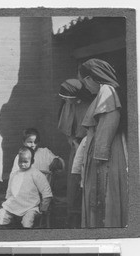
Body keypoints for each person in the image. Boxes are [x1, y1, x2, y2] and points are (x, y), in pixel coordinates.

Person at [78, 58, 128, 228]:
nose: (85, 86)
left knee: (105, 192)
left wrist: (99, 157)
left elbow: (108, 123)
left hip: (107, 154)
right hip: (103, 149)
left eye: (84, 81)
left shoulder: (107, 91)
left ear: (91, 78)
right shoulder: (104, 92)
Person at [58, 79, 93, 228]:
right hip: (75, 147)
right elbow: (67, 130)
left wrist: (82, 144)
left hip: (89, 147)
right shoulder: (68, 105)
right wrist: (73, 142)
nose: (64, 100)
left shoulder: (88, 105)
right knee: (73, 182)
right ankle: (72, 219)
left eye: (66, 97)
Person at [0, 146, 53, 228]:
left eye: (25, 162)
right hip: (16, 203)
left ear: (32, 161)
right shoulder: (15, 174)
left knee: (27, 220)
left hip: (30, 206)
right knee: (2, 214)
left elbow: (46, 192)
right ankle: (7, 233)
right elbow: (10, 190)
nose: (22, 164)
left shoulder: (36, 174)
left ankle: (26, 235)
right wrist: (8, 199)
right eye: (20, 162)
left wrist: (44, 207)